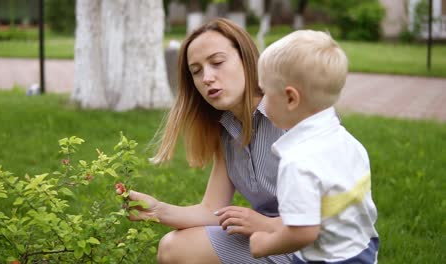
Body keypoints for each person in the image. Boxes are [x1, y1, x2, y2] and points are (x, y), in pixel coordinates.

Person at [125, 18, 294, 263]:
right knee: (173, 248)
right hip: (270, 239)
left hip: (322, 246)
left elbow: (330, 213)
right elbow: (211, 210)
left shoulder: (294, 115)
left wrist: (266, 224)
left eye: (217, 62)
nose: (207, 77)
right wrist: (156, 210)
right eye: (196, 71)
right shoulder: (228, 130)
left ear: (246, 59)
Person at [249, 30, 379, 263]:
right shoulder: (347, 141)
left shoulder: (298, 161)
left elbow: (303, 232)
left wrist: (264, 244)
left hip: (327, 258)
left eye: (265, 92)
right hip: (362, 248)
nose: (263, 101)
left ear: (291, 98)